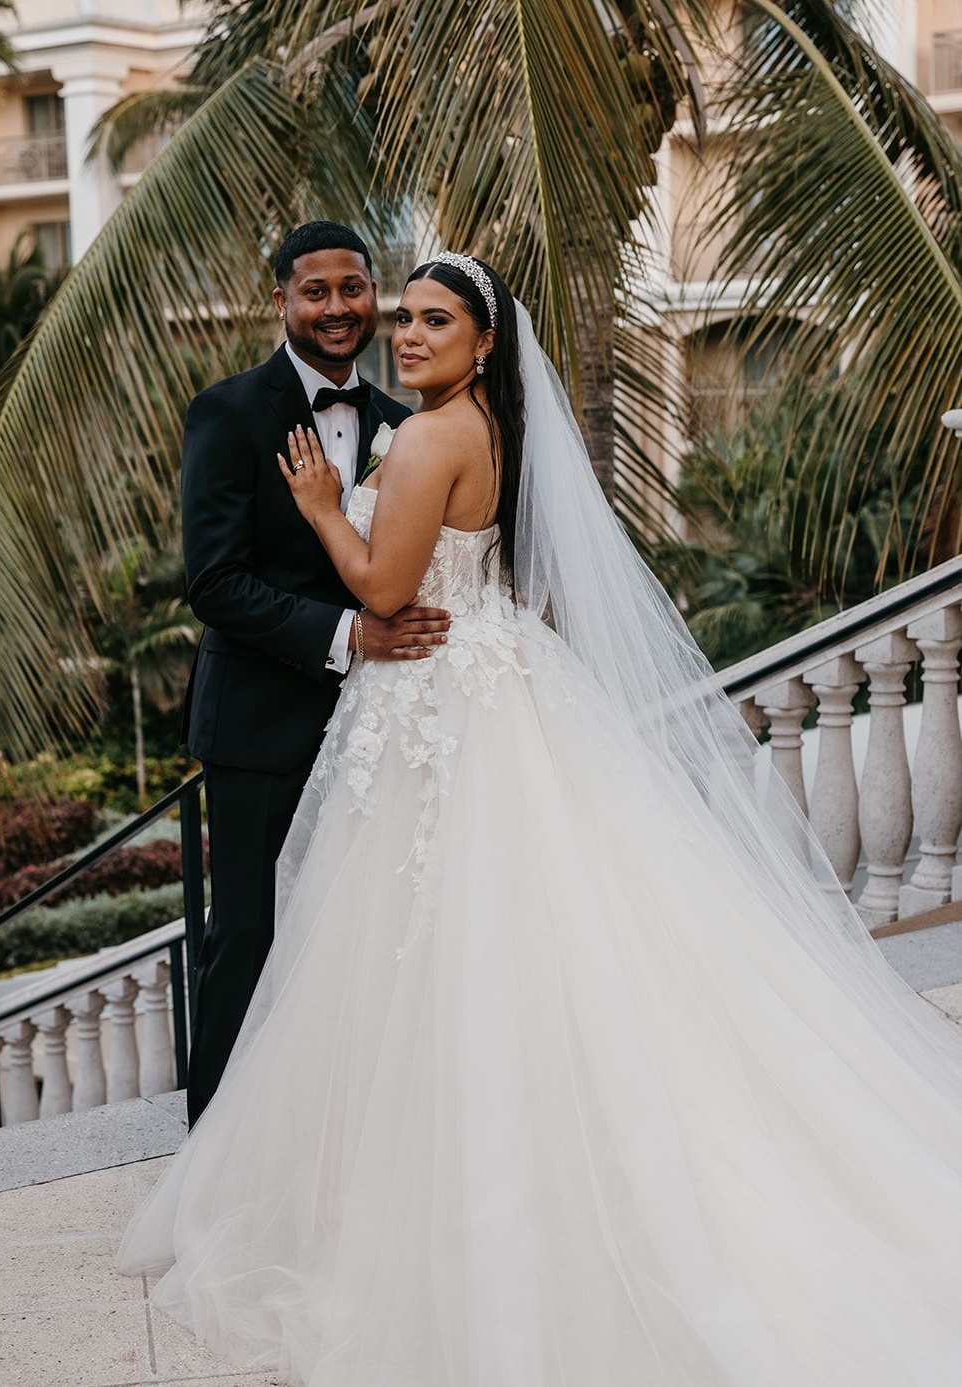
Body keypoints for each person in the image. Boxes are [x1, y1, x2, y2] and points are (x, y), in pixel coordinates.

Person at [121, 253, 962, 1385]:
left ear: (483, 341)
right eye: (404, 317)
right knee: (510, 937)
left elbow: (385, 589)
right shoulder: (490, 427)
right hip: (492, 683)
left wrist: (323, 510)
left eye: (433, 320)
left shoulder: (423, 434)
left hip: (436, 702)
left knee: (422, 946)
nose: (404, 333)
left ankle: (418, 1188)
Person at [180, 221, 450, 1124]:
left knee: (356, 935)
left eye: (352, 288)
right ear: (282, 302)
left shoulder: (404, 426)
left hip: (375, 728)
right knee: (247, 936)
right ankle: (212, 1145)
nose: (337, 307)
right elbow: (214, 582)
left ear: (373, 294)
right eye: (316, 291)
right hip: (257, 727)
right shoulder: (228, 413)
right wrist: (349, 635)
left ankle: (326, 1134)